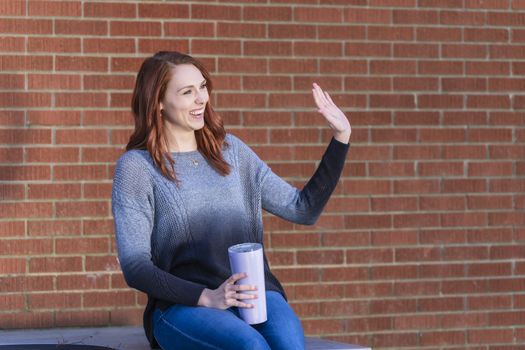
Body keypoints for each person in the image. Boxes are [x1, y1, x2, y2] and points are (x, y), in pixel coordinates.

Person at [111, 51, 351, 350]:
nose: (202, 99)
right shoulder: (137, 168)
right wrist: (206, 296)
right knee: (250, 346)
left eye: (202, 87)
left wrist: (341, 137)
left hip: (255, 295)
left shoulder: (232, 153)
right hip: (183, 306)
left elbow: (303, 209)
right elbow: (135, 266)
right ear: (158, 101)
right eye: (188, 92)